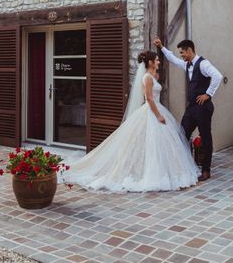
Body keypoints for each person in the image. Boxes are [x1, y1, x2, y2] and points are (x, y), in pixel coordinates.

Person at [62, 51, 200, 192]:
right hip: (152, 111)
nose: (159, 62)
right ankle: (144, 173)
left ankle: (163, 171)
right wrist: (158, 115)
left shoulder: (154, 76)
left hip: (157, 109)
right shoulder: (147, 77)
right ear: (151, 62)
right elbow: (149, 98)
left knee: (158, 144)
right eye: (157, 60)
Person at [154, 37, 223, 182]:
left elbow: (218, 76)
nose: (181, 56)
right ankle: (186, 166)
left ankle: (206, 170)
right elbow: (173, 59)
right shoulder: (187, 64)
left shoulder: (203, 63)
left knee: (205, 137)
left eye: (182, 53)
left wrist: (208, 94)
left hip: (203, 108)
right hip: (191, 108)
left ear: (189, 50)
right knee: (182, 134)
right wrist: (161, 47)